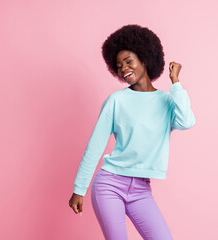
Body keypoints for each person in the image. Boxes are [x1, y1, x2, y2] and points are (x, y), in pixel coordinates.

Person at [69, 24, 196, 240]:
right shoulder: (116, 101)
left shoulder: (167, 101)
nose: (124, 69)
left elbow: (186, 121)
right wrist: (79, 188)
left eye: (129, 61)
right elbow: (95, 146)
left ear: (144, 59)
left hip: (141, 190)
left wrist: (175, 83)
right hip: (110, 185)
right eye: (118, 66)